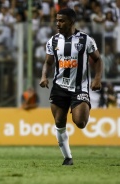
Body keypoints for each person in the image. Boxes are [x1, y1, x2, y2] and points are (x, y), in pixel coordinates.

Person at [39, 8, 103, 165]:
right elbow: (48, 61)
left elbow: (98, 60)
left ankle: (83, 105)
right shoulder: (53, 41)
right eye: (57, 20)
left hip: (79, 87)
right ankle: (68, 158)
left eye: (61, 21)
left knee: (80, 122)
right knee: (59, 122)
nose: (58, 24)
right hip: (59, 87)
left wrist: (97, 79)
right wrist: (44, 76)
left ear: (71, 22)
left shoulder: (85, 40)